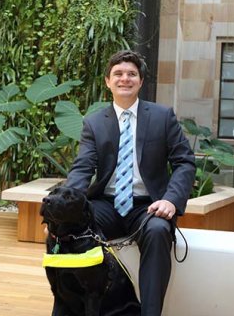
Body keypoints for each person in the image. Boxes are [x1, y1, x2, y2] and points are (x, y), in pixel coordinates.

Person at [66, 50, 195, 316]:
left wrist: (171, 200)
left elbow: (184, 162)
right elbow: (82, 168)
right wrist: (70, 205)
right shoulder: (94, 123)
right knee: (74, 228)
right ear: (108, 81)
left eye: (131, 74)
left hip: (148, 206)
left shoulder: (162, 117)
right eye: (118, 74)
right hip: (106, 203)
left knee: (159, 231)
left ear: (140, 81)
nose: (125, 79)